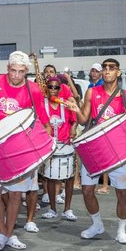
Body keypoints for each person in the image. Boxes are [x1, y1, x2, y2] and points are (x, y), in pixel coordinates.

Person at [0, 51, 52, 251]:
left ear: (27, 71)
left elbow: (43, 121)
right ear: (7, 68)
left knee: (16, 195)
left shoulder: (34, 90)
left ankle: (9, 233)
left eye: (21, 71)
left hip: (20, 150)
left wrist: (45, 146)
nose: (16, 75)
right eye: (13, 70)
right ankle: (1, 232)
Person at [63, 58, 126, 244]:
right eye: (105, 68)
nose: (107, 70)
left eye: (111, 68)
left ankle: (121, 230)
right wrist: (75, 109)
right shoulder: (92, 92)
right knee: (87, 190)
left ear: (118, 72)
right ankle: (97, 225)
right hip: (94, 149)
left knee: (122, 193)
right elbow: (83, 120)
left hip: (117, 152)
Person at [39, 75, 78, 220]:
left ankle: (67, 209)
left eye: (56, 87)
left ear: (60, 89)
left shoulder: (65, 104)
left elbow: (74, 119)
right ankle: (52, 208)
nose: (53, 90)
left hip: (65, 143)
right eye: (50, 87)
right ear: (47, 88)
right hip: (49, 145)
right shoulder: (42, 104)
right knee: (50, 177)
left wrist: (73, 129)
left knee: (69, 177)